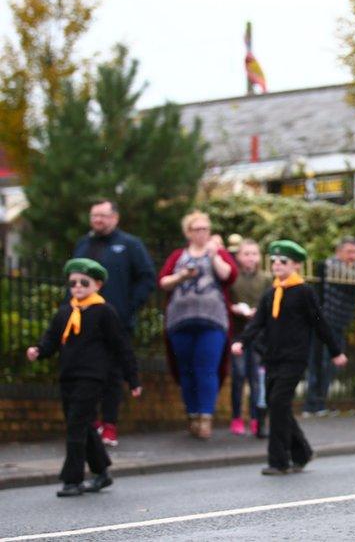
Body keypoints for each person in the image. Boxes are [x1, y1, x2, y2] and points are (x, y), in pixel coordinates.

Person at [27, 259, 142, 497]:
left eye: (83, 282)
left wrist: (133, 379)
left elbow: (121, 346)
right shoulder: (66, 312)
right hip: (68, 376)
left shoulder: (104, 312)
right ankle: (102, 472)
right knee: (84, 424)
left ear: (97, 284)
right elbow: (51, 340)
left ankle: (72, 480)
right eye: (73, 283)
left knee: (76, 426)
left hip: (92, 377)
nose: (77, 287)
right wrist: (38, 351)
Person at [232, 240, 348, 475]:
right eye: (274, 261)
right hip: (272, 358)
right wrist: (242, 342)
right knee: (279, 406)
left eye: (282, 261)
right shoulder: (271, 293)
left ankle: (279, 461)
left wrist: (335, 351)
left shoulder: (304, 292)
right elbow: (257, 323)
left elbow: (320, 323)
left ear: (295, 265)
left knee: (277, 402)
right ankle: (302, 452)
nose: (277, 265)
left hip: (294, 359)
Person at [73, 199, 155, 447]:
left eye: (103, 215)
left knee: (112, 374)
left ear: (115, 218)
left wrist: (128, 307)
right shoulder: (83, 244)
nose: (98, 220)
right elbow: (73, 280)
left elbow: (147, 277)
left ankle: (109, 425)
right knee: (85, 373)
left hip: (115, 321)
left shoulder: (129, 245)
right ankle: (91, 423)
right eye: (94, 215)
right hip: (83, 321)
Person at [159, 211, 238, 440]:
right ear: (188, 232)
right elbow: (163, 281)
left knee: (207, 369)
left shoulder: (218, 252)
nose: (202, 233)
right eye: (197, 229)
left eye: (205, 228)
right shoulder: (178, 255)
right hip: (180, 320)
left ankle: (206, 417)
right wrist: (182, 276)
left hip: (212, 319)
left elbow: (229, 275)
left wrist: (214, 256)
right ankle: (192, 414)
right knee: (186, 370)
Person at [305, 236, 355, 416]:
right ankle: (312, 405)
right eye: (349, 252)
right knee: (320, 363)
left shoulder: (353, 268)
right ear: (338, 252)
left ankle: (319, 403)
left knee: (331, 365)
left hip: (338, 324)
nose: (353, 256)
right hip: (324, 325)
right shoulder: (332, 266)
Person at [229, 238, 272, 437]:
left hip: (258, 335)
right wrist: (234, 309)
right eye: (246, 254)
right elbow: (226, 301)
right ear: (238, 256)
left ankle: (256, 418)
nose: (250, 258)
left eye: (254, 254)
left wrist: (259, 312)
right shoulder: (233, 277)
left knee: (256, 378)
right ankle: (236, 416)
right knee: (238, 376)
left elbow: (270, 304)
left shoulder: (265, 279)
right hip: (238, 333)